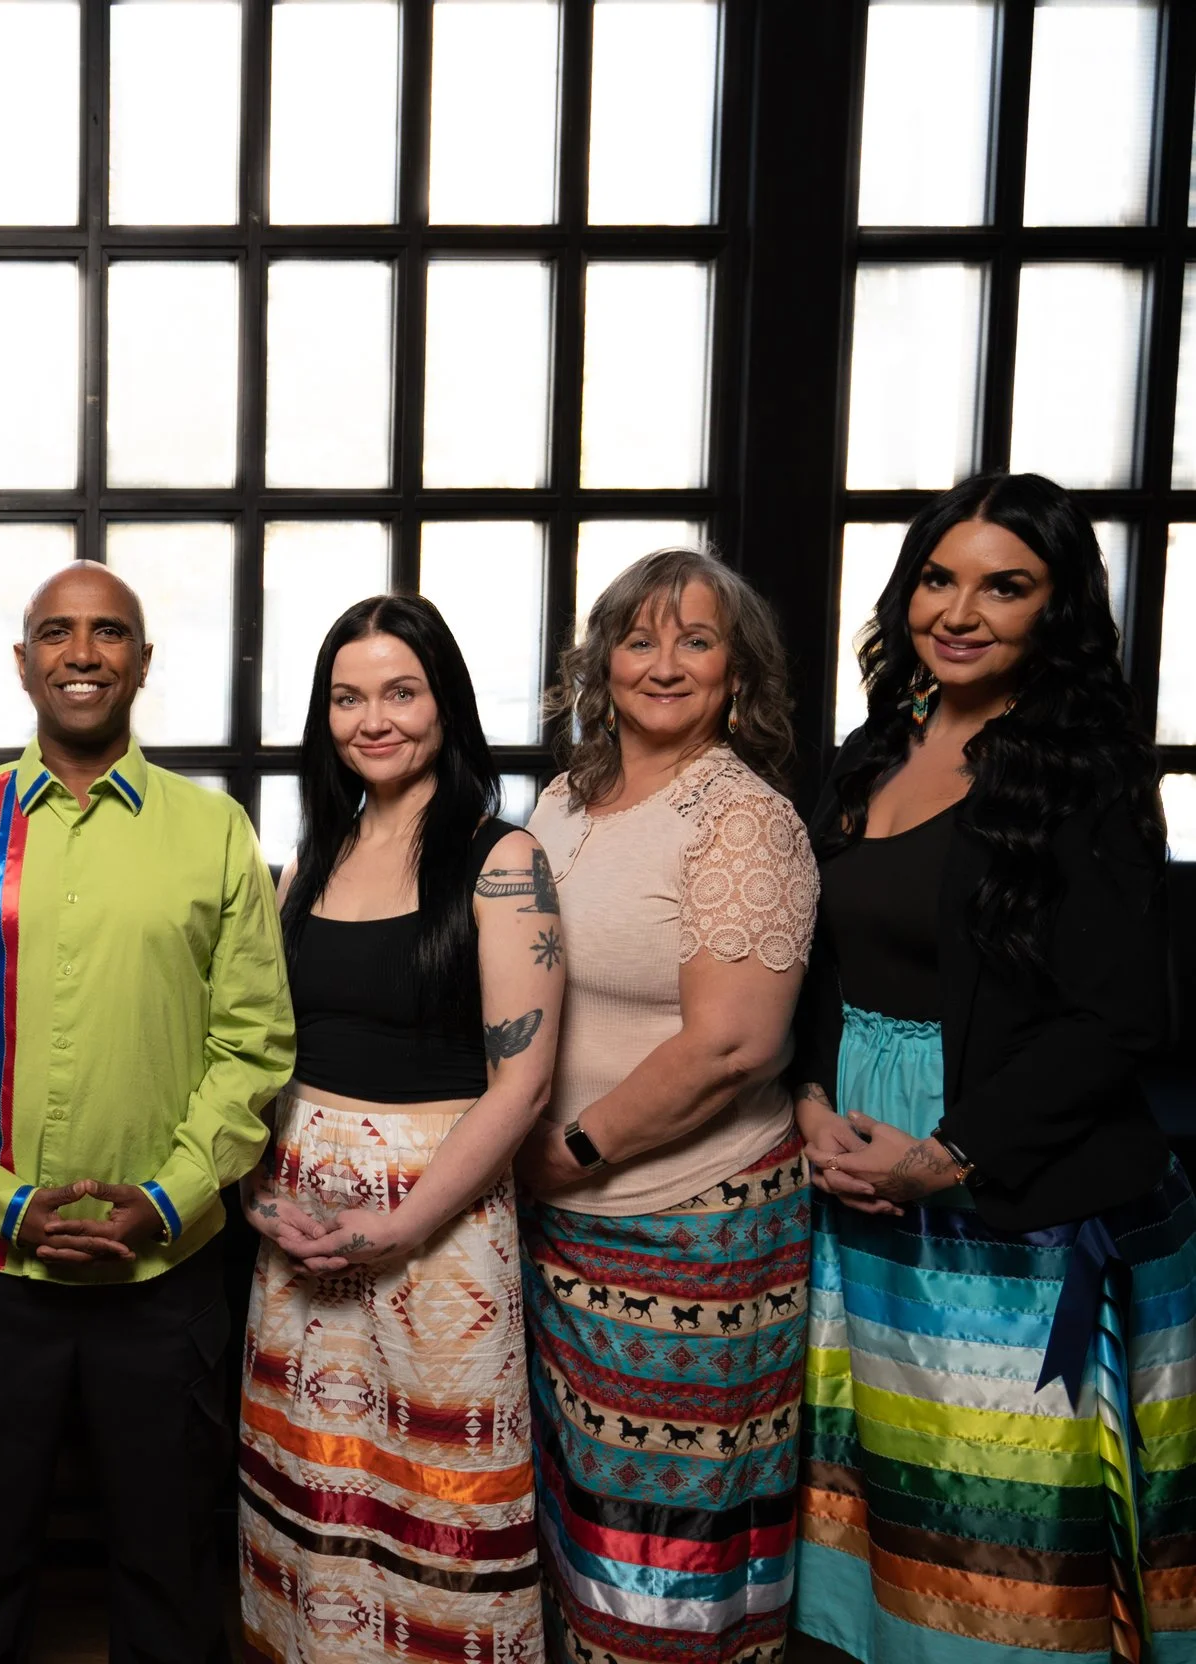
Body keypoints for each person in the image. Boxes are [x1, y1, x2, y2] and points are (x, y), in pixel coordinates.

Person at [792, 474, 1189, 1664]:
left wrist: (946, 1154)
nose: (957, 612)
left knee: (1000, 1528)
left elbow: (1119, 1018)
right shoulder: (870, 749)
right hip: (856, 1173)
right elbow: (817, 964)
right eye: (937, 578)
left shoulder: (1083, 773)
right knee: (890, 1500)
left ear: (1054, 610)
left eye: (1002, 587)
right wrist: (808, 1101)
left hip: (1006, 1191)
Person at [0, 561, 297, 1664]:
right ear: (22, 662)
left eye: (108, 632)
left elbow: (253, 1044)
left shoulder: (213, 831)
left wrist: (167, 1199)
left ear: (143, 661)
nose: (82, 653)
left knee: (170, 1566)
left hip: (162, 1271)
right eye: (57, 633)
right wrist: (4, 1200)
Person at [237, 595, 564, 1664]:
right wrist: (258, 1196)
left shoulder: (501, 858)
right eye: (347, 697)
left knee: (436, 1499)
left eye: (399, 692)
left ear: (445, 703)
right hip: (298, 1229)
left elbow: (523, 1084)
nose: (372, 719)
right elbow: (266, 1053)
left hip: (439, 1230)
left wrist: (402, 1224)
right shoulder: (310, 860)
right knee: (312, 1494)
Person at [514, 548, 817, 1664]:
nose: (664, 663)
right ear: (602, 662)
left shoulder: (742, 818)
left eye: (696, 641)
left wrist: (573, 1147)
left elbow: (734, 1043)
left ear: (738, 672)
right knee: (582, 1512)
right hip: (561, 1222)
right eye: (639, 640)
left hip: (693, 1230)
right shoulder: (564, 798)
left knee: (671, 1547)